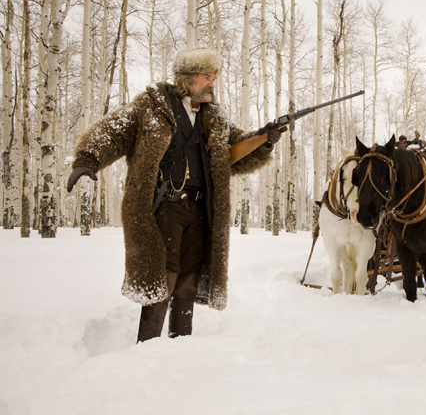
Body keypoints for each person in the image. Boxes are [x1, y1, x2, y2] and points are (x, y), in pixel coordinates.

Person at [67, 47, 283, 342]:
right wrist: (87, 159)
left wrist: (265, 140)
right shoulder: (151, 106)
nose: (212, 83)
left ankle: (180, 348)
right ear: (188, 78)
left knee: (188, 280)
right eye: (207, 77)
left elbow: (236, 154)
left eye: (214, 77)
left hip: (200, 210)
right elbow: (114, 131)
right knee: (162, 279)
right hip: (164, 206)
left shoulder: (214, 117)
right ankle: (147, 347)